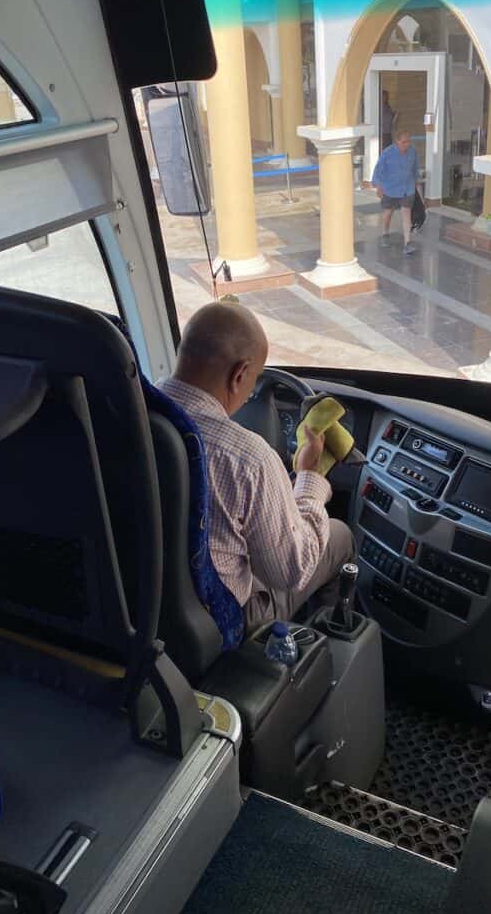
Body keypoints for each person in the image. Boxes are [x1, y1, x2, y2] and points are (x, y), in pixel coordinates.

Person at [159, 301, 355, 626]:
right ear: (239, 374)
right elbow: (293, 570)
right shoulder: (247, 458)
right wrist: (309, 478)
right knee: (340, 536)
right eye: (255, 379)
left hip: (144, 605)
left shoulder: (130, 415)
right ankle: (311, 655)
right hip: (216, 622)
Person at [372, 131, 420, 255]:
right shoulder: (387, 153)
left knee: (406, 214)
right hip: (390, 189)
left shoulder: (412, 152)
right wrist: (378, 186)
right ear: (397, 142)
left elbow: (415, 170)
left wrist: (417, 185)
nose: (407, 144)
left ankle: (407, 243)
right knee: (388, 213)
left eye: (408, 141)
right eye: (404, 142)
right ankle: (385, 232)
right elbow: (378, 170)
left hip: (407, 188)